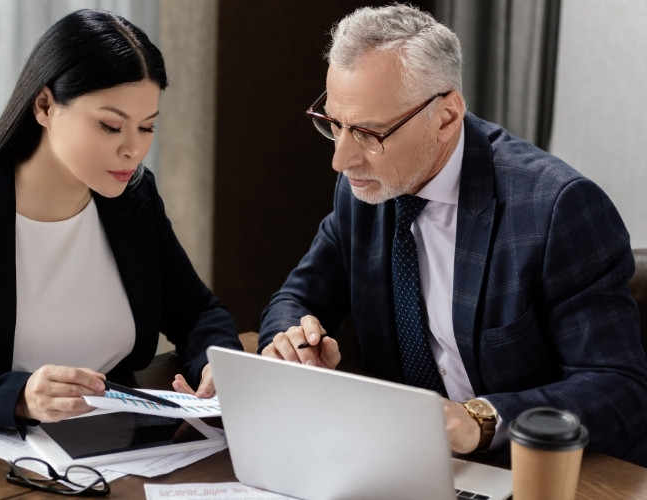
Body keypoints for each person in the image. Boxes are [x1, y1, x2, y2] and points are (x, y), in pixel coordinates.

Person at [259, 3, 647, 466]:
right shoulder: (365, 188)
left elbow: (619, 388)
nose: (341, 161)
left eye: (366, 133)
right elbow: (297, 298)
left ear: (445, 117)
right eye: (334, 125)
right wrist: (292, 341)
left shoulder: (556, 209)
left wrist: (479, 420)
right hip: (405, 462)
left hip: (535, 472)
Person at [0, 9, 241, 433]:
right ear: (45, 105)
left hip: (108, 443)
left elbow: (196, 311)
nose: (134, 150)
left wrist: (216, 365)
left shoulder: (133, 199)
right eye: (111, 126)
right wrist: (20, 397)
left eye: (147, 127)